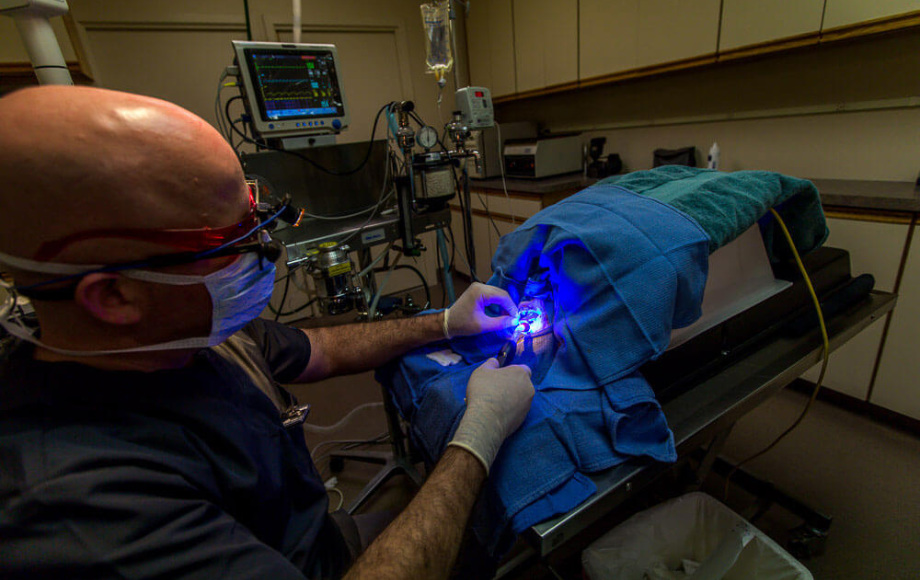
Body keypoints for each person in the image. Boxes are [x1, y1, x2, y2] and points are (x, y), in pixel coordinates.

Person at [0, 86, 534, 579]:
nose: (268, 253)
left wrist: (444, 322)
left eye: (257, 219)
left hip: (313, 540)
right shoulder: (85, 508)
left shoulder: (189, 334)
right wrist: (475, 437)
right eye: (231, 241)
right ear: (114, 295)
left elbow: (318, 348)